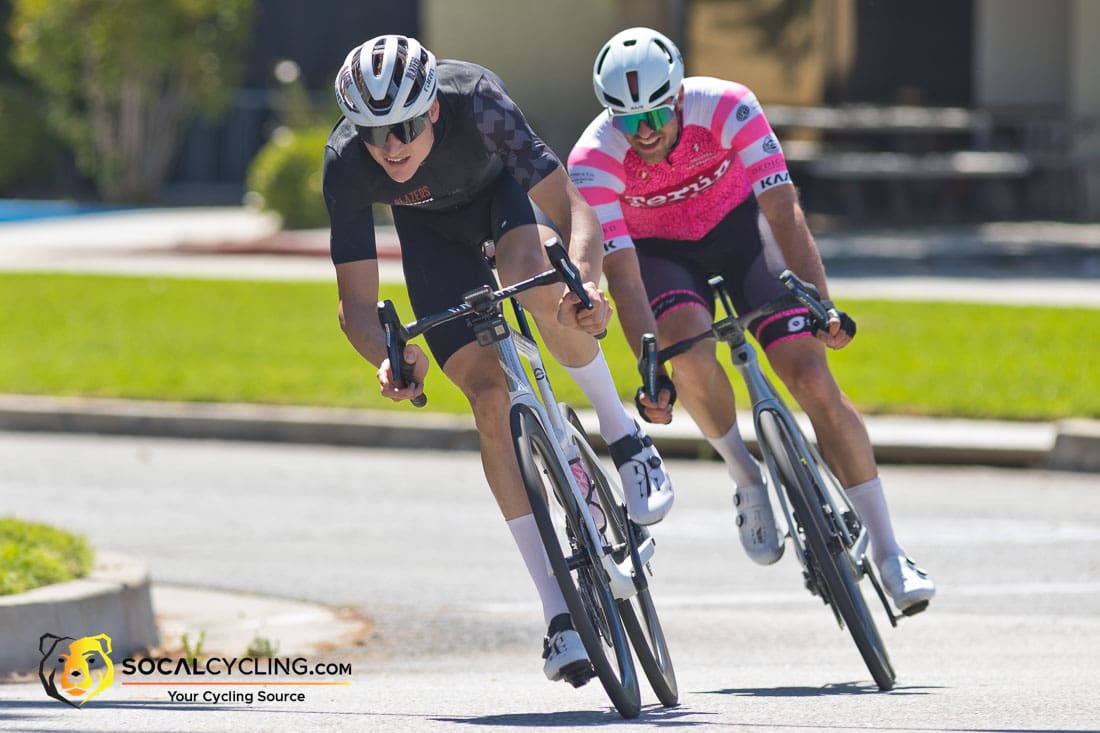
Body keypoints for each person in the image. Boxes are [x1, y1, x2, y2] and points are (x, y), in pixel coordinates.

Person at [323, 34, 674, 686]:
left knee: (540, 284)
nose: (390, 146)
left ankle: (622, 434)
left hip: (504, 206)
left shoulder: (476, 100)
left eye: (402, 125)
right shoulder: (346, 161)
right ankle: (559, 614)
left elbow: (575, 209)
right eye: (374, 132)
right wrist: (389, 356)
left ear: (430, 110)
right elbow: (357, 305)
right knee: (488, 398)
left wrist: (588, 286)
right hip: (433, 244)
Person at [566, 27, 935, 613]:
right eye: (628, 120)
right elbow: (626, 275)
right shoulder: (592, 158)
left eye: (657, 114)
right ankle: (745, 474)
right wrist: (652, 372)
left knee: (812, 377)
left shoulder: (730, 105)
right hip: (664, 256)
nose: (646, 132)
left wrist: (822, 304)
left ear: (679, 94)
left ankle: (891, 553)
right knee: (686, 356)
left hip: (743, 234)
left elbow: (784, 213)